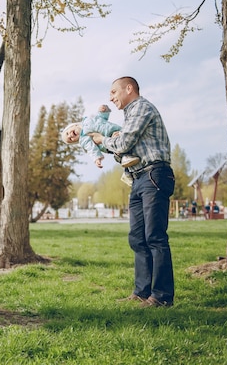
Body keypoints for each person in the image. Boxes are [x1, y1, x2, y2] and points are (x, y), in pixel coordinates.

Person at [88, 76, 175, 308]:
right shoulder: (129, 116)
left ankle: (162, 296)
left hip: (154, 174)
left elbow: (124, 144)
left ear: (129, 89)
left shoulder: (142, 108)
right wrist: (111, 143)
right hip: (138, 178)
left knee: (155, 236)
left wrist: (102, 139)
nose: (111, 97)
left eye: (114, 91)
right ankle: (141, 292)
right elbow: (122, 153)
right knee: (137, 238)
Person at [61, 104, 140, 169]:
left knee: (129, 138)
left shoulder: (87, 120)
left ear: (73, 125)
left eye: (68, 133)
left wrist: (103, 111)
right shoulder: (84, 139)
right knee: (119, 145)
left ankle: (134, 153)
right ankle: (126, 159)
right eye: (70, 139)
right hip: (107, 142)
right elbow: (91, 149)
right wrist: (96, 159)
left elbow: (101, 118)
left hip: (115, 129)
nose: (70, 136)